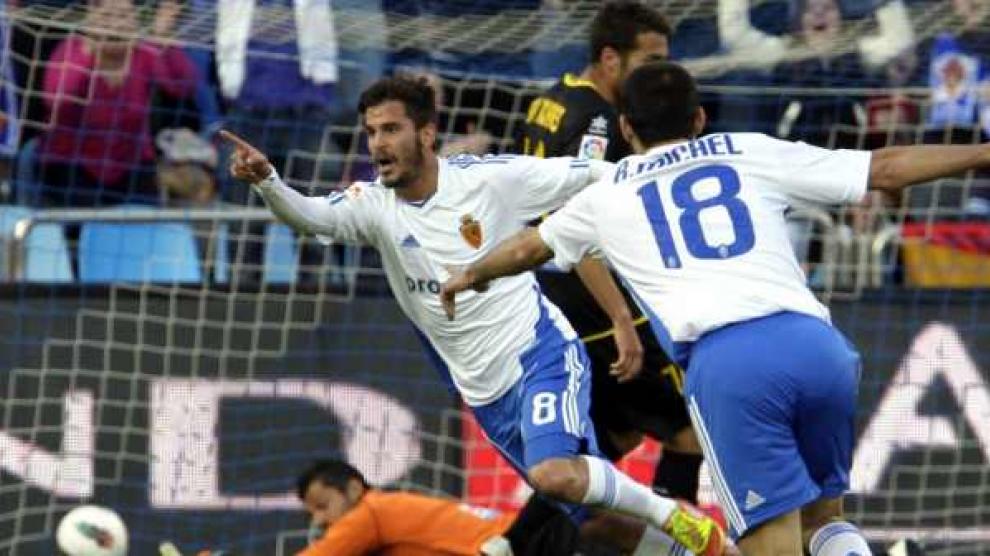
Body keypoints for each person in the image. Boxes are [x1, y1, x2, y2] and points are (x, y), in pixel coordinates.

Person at [441, 61, 990, 555]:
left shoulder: (606, 192)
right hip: (818, 347)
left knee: (771, 545)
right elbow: (887, 167)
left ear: (627, 129)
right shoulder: (750, 149)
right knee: (825, 520)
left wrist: (470, 274)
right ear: (700, 117)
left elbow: (527, 248)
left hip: (730, 365)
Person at [223, 75, 728, 556]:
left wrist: (671, 170)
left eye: (391, 129)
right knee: (586, 515)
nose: (378, 144)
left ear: (426, 133)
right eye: (371, 132)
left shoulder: (491, 181)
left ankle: (683, 521)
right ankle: (705, 550)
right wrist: (268, 180)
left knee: (557, 475)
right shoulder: (373, 207)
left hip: (540, 356)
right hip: (486, 396)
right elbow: (312, 217)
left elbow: (593, 173)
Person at [515, 0, 704, 507]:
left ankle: (517, 542)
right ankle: (674, 540)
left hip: (552, 298)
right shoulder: (597, 122)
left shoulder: (551, 99)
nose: (661, 74)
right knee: (690, 428)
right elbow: (573, 228)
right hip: (592, 304)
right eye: (649, 61)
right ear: (610, 59)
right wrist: (621, 317)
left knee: (609, 441)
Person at [295, 459, 514, 556]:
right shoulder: (385, 507)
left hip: (517, 545)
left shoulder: (369, 512)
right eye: (311, 513)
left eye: (323, 506)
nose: (317, 520)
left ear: (353, 489)